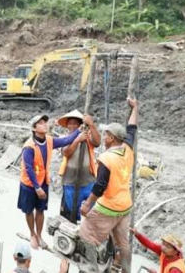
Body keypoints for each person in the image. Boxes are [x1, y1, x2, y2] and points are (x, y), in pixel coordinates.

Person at [78, 98, 139, 273]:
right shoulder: (127, 149)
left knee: (87, 236)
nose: (103, 137)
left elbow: (100, 186)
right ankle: (125, 270)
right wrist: (135, 108)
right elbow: (132, 128)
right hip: (125, 206)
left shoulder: (107, 158)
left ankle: (90, 269)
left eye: (105, 135)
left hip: (108, 207)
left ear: (111, 138)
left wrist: (88, 205)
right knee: (123, 244)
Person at [18, 114, 86, 250]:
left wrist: (79, 131)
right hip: (30, 184)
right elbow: (29, 168)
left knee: (41, 210)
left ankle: (39, 235)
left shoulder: (49, 140)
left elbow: (67, 140)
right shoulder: (29, 146)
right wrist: (37, 188)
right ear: (34, 128)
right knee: (29, 211)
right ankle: (32, 234)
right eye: (41, 123)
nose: (45, 125)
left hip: (43, 181)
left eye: (45, 122)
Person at [56, 110, 100, 273]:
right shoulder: (64, 139)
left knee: (89, 217)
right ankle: (65, 257)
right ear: (67, 126)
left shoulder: (87, 135)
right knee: (69, 217)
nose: (73, 125)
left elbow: (97, 142)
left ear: (81, 124)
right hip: (69, 181)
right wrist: (77, 139)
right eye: (71, 123)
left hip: (87, 181)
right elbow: (67, 152)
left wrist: (92, 126)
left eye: (76, 123)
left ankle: (87, 253)